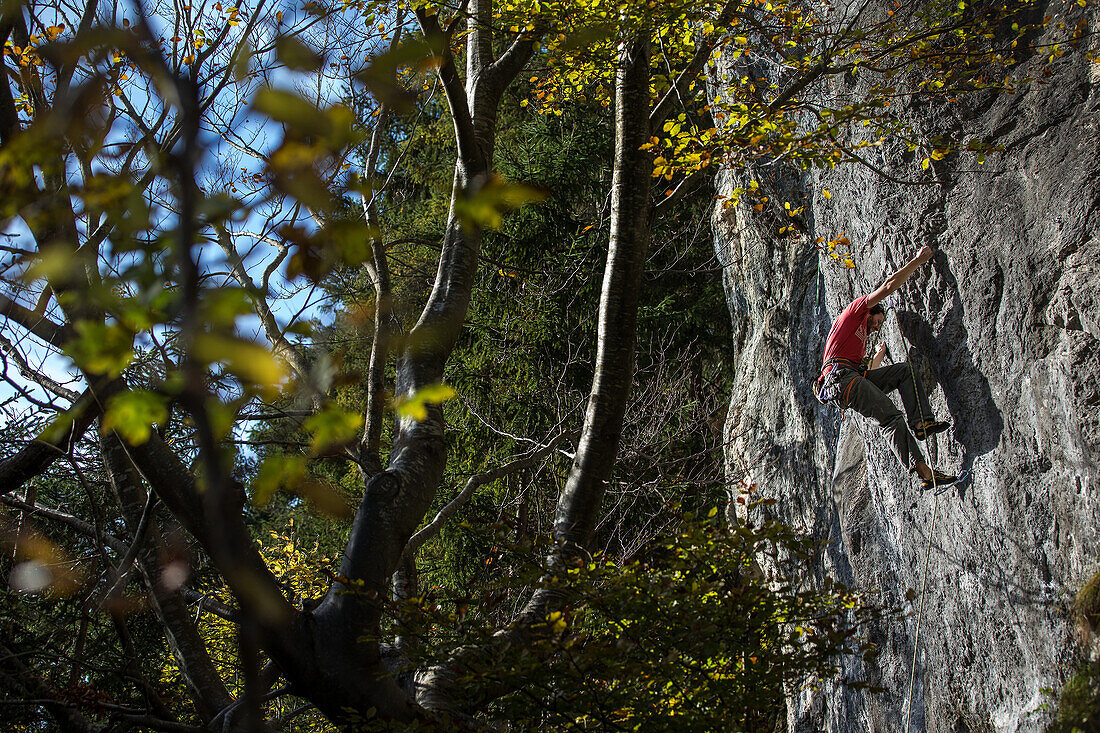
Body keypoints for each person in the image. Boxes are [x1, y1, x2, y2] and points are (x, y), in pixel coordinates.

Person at [817, 245, 956, 491]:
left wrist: (879, 355)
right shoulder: (854, 312)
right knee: (890, 417)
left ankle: (922, 422)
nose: (876, 328)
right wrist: (918, 260)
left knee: (904, 372)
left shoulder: (857, 347)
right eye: (877, 321)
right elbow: (889, 285)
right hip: (841, 380)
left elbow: (866, 376)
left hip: (850, 379)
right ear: (871, 312)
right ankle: (923, 471)